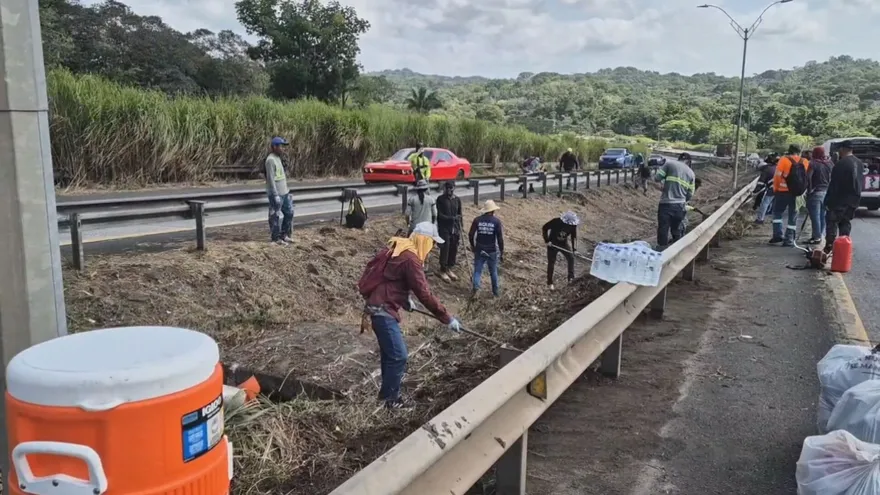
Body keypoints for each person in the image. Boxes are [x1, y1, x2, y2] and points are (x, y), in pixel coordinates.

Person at [358, 222, 461, 409]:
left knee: (391, 355)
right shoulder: (411, 259)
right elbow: (424, 293)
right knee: (399, 356)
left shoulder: (400, 247)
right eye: (431, 243)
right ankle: (392, 400)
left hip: (379, 305)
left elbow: (392, 277)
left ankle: (386, 396)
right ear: (424, 240)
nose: (432, 248)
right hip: (382, 310)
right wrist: (446, 317)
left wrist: (404, 299)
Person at [824, 140, 864, 254]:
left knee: (832, 222)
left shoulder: (841, 164)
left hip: (840, 200)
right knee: (845, 222)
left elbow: (834, 184)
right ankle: (843, 248)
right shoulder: (859, 163)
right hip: (854, 200)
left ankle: (829, 247)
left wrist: (828, 201)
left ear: (843, 149)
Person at [770, 144, 810, 246]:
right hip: (797, 193)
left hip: (782, 192)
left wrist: (776, 188)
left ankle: (777, 235)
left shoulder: (783, 160)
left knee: (777, 213)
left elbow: (777, 176)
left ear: (789, 150)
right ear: (799, 151)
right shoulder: (804, 161)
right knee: (793, 216)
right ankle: (789, 239)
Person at [653, 157, 696, 249]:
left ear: (679, 158)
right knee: (676, 229)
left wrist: (665, 186)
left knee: (663, 228)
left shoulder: (670, 164)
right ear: (688, 162)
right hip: (680, 206)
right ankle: (677, 249)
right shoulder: (691, 173)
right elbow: (690, 193)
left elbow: (657, 178)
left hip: (666, 204)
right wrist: (683, 200)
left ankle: (662, 250)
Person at [468, 200, 505, 297]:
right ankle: (495, 293)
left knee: (477, 271)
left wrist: (473, 245)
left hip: (479, 248)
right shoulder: (496, 222)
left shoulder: (477, 220)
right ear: (493, 211)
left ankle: (476, 288)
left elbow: (471, 234)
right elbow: (500, 239)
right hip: (491, 250)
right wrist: (502, 252)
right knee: (493, 272)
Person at [265, 136, 294, 245]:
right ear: (274, 147)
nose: (283, 148)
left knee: (289, 213)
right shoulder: (270, 160)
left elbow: (281, 176)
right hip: (276, 193)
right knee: (275, 216)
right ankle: (275, 238)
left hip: (284, 192)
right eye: (281, 146)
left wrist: (286, 190)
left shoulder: (278, 158)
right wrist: (275, 194)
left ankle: (284, 235)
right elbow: (271, 179)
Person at [543, 211, 579, 289]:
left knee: (571, 258)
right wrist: (547, 241)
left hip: (563, 244)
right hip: (552, 243)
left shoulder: (573, 225)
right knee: (551, 262)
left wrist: (574, 249)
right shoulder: (556, 221)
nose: (569, 225)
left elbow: (574, 237)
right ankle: (550, 283)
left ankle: (571, 278)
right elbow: (544, 227)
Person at [436, 181, 463, 282]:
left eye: (451, 189)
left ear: (454, 188)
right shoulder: (440, 199)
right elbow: (439, 215)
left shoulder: (457, 200)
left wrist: (461, 227)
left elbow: (460, 214)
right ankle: (442, 269)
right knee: (445, 247)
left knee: (453, 247)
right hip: (444, 228)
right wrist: (451, 218)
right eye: (447, 189)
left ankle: (449, 267)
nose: (449, 191)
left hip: (455, 228)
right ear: (444, 189)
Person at [806, 146, 833, 244]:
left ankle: (816, 237)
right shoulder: (830, 163)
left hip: (816, 192)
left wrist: (809, 190)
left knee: (815, 216)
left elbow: (808, 177)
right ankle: (819, 235)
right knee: (822, 215)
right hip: (827, 192)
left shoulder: (813, 163)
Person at [753, 153, 778, 224]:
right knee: (776, 204)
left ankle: (760, 219)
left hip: (773, 188)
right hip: (781, 188)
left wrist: (755, 191)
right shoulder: (776, 167)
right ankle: (775, 219)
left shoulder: (766, 169)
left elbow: (761, 182)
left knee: (765, 203)